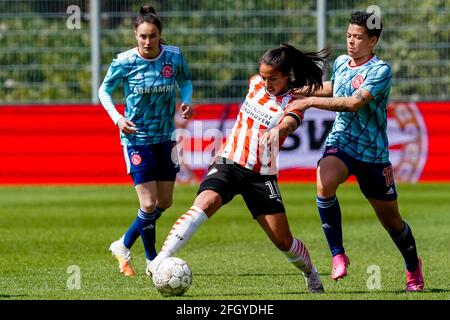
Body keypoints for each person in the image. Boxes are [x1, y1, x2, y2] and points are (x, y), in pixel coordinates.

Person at [148, 43, 330, 293]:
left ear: (287, 75)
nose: (266, 83)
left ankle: (310, 272)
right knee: (204, 204)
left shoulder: (294, 102)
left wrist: (279, 130)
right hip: (228, 162)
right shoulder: (255, 82)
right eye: (264, 76)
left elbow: (289, 124)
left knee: (283, 241)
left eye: (273, 78)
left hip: (260, 174)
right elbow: (262, 76)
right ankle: (159, 260)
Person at [287, 11, 424, 291]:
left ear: (372, 40)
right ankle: (338, 254)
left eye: (358, 37)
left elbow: (353, 103)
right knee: (324, 182)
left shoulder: (380, 70)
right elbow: (335, 88)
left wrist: (310, 101)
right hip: (343, 142)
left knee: (392, 223)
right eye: (349, 35)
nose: (351, 42)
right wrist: (298, 90)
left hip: (373, 155)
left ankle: (413, 268)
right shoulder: (340, 62)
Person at [98, 5, 193, 276]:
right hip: (136, 138)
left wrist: (186, 100)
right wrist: (117, 117)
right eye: (142, 36)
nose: (147, 41)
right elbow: (104, 90)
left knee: (164, 203)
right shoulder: (125, 61)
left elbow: (185, 81)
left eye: (152, 36)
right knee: (148, 204)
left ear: (160, 35)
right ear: (135, 36)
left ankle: (123, 244)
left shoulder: (173, 57)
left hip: (166, 137)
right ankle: (153, 261)